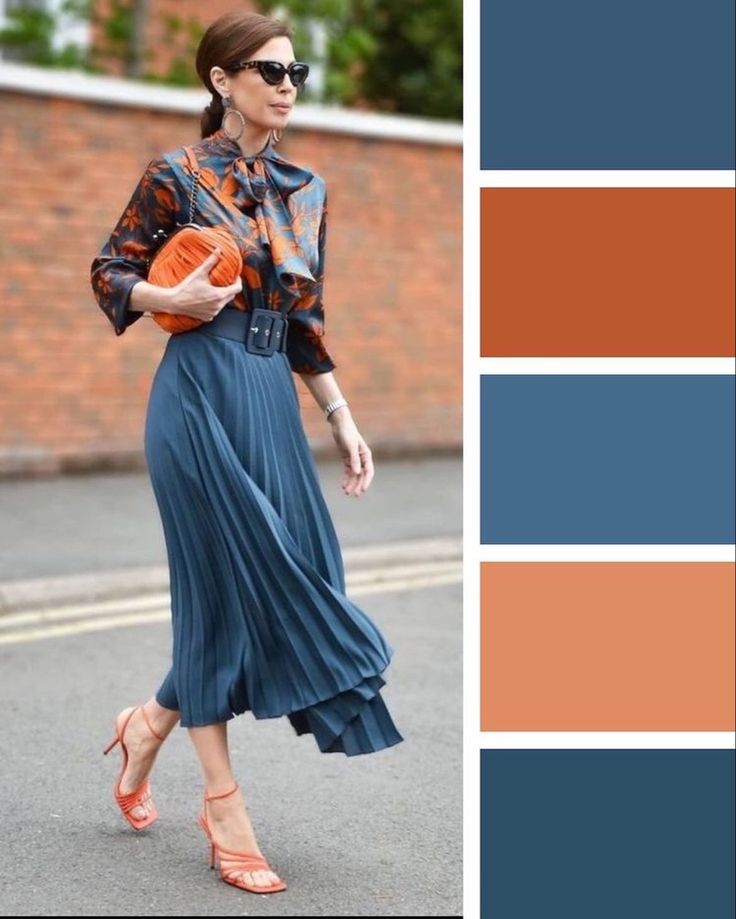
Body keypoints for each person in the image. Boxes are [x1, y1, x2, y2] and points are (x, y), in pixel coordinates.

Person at [90, 9, 403, 896]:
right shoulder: (176, 175)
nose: (287, 85)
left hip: (270, 396)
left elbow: (305, 318)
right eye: (269, 71)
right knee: (219, 583)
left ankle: (148, 721)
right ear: (222, 81)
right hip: (196, 390)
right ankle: (222, 804)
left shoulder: (307, 188)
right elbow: (109, 270)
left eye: (295, 72)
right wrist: (167, 289)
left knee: (289, 570)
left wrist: (341, 417)